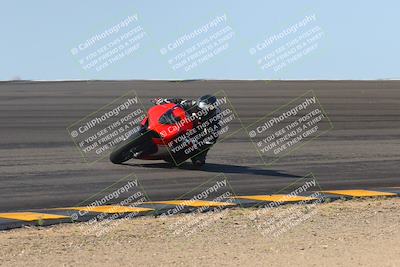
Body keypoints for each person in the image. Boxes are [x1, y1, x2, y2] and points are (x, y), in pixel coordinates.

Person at [153, 95, 221, 166]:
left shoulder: (214, 121)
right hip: (186, 123)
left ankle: (199, 156)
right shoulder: (194, 104)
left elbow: (210, 141)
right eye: (199, 109)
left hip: (199, 132)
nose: (200, 112)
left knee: (199, 162)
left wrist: (197, 143)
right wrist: (164, 101)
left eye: (204, 111)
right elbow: (179, 102)